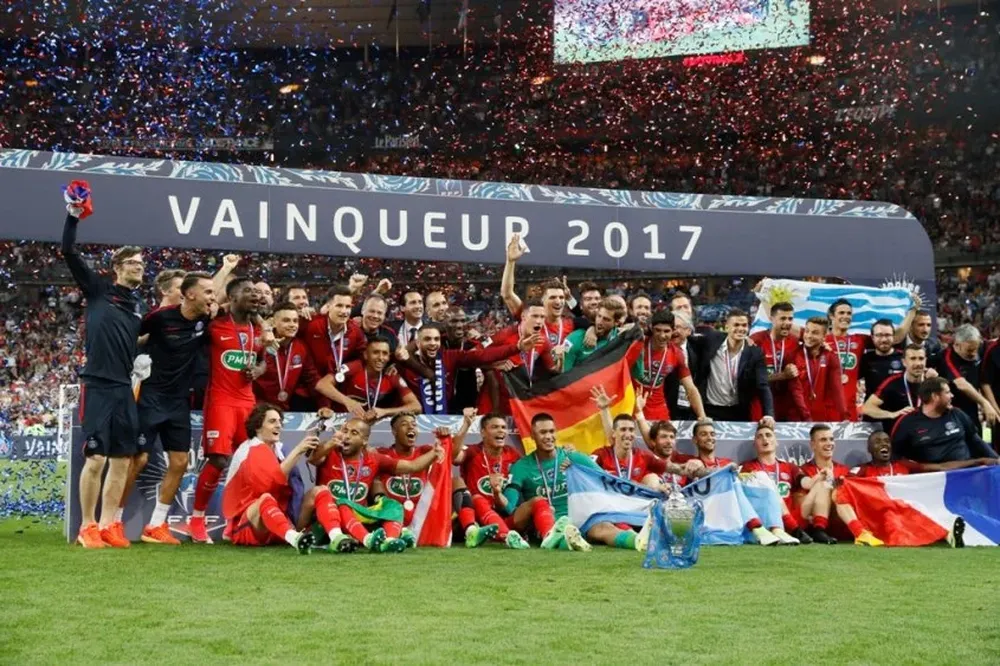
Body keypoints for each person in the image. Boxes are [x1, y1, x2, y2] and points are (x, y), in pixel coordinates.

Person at [62, 190, 146, 549]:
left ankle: (111, 524)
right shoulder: (98, 289)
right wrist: (73, 215)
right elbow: (68, 251)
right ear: (118, 267)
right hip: (97, 383)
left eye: (142, 264)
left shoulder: (138, 303)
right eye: (134, 263)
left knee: (123, 459)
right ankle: (88, 526)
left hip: (123, 387)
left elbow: (131, 339)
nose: (140, 268)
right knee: (95, 458)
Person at [134, 271, 216, 545]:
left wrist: (227, 268)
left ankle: (156, 525)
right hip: (151, 396)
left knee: (180, 462)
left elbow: (222, 295)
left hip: (180, 400)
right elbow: (132, 337)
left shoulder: (205, 320)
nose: (212, 298)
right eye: (207, 293)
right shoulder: (160, 318)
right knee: (139, 460)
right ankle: (111, 520)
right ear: (189, 294)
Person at [188, 276, 267, 544]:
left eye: (257, 292)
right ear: (232, 298)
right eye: (248, 291)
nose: (255, 295)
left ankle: (235, 521)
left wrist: (257, 370)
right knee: (219, 460)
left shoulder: (258, 331)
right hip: (220, 401)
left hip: (247, 402)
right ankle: (197, 520)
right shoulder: (215, 326)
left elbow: (263, 362)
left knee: (246, 463)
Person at [504, 413, 640, 552]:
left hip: (579, 518)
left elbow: (606, 480)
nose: (549, 437)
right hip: (546, 522)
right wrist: (498, 493)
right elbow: (509, 505)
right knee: (555, 527)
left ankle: (637, 541)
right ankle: (569, 541)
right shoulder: (522, 466)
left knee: (604, 527)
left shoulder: (573, 457)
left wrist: (641, 490)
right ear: (532, 435)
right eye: (543, 432)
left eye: (551, 431)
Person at [309, 417, 441, 553]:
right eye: (345, 431)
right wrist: (331, 443)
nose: (346, 436)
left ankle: (389, 541)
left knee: (393, 505)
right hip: (330, 522)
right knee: (343, 504)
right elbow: (313, 458)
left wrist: (435, 451)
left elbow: (413, 466)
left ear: (364, 441)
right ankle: (368, 540)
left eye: (354, 433)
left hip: (357, 519)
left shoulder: (374, 459)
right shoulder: (329, 451)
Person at [455, 412, 564, 549]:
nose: (501, 430)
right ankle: (506, 537)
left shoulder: (512, 454)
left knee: (538, 500)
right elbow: (454, 457)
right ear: (483, 432)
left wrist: (563, 452)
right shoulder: (473, 451)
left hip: (507, 516)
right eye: (495, 427)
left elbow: (527, 478)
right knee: (476, 497)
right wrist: (466, 425)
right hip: (480, 519)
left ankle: (549, 536)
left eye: (503, 427)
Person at [221, 403, 316, 553]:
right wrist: (298, 450)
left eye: (280, 422)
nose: (279, 426)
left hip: (276, 524)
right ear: (258, 427)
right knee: (266, 498)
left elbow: (295, 486)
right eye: (272, 422)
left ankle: (337, 537)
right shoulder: (251, 449)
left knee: (319, 492)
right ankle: (294, 538)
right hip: (248, 526)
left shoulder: (280, 449)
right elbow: (268, 486)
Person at [399, 324, 536, 414]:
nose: (433, 343)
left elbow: (481, 356)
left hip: (446, 415)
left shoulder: (450, 357)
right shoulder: (405, 364)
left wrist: (517, 348)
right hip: (417, 419)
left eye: (436, 339)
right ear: (417, 343)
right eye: (427, 339)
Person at [826, 297, 916, 422]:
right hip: (824, 406)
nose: (846, 316)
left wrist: (912, 311)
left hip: (849, 409)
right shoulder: (820, 340)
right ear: (831, 316)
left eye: (849, 313)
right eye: (841, 313)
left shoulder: (859, 340)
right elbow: (797, 332)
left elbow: (896, 337)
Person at [794, 424, 875, 545]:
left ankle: (860, 532)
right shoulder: (803, 471)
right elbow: (800, 505)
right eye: (823, 440)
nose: (829, 443)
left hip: (840, 524)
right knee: (827, 488)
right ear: (813, 445)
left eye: (831, 439)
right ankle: (857, 532)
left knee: (840, 492)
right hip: (811, 524)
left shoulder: (844, 471)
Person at [476, 299, 558, 415]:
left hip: (519, 403)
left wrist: (561, 359)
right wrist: (493, 364)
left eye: (542, 317)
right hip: (492, 404)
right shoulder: (504, 335)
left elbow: (553, 371)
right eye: (534, 316)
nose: (539, 321)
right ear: (523, 316)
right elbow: (471, 355)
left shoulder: (543, 341)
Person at [891, 377, 999, 464]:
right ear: (935, 397)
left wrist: (996, 459)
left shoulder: (957, 413)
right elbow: (896, 455)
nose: (952, 396)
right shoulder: (907, 422)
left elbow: (976, 440)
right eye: (947, 392)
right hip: (933, 480)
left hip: (966, 474)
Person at [695, 310, 775, 424]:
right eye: (736, 325)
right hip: (710, 410)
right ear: (727, 327)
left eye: (744, 325)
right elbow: (690, 340)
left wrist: (769, 414)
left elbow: (763, 385)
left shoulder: (755, 353)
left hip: (739, 411)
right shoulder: (711, 340)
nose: (741, 328)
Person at [739, 424, 813, 544]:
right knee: (763, 478)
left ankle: (810, 529)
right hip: (764, 518)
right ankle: (792, 529)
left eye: (768, 435)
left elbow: (805, 483)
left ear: (776, 441)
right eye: (760, 436)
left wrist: (818, 480)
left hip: (791, 515)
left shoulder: (789, 467)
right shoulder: (748, 467)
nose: (765, 439)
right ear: (754, 444)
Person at [315, 337, 420, 422]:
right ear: (366, 355)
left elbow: (416, 406)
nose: (380, 357)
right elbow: (322, 385)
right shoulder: (355, 367)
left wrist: (385, 412)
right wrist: (347, 401)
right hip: (343, 421)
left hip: (371, 423)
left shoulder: (392, 376)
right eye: (375, 352)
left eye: (384, 353)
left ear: (389, 357)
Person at [501, 235, 576, 347]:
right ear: (542, 300)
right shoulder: (531, 317)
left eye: (561, 297)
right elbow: (507, 294)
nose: (558, 301)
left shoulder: (571, 325)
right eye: (552, 297)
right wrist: (510, 262)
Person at [631, 310, 704, 421]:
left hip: (658, 409)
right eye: (658, 330)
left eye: (666, 331)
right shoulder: (638, 345)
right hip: (632, 405)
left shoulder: (676, 353)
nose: (662, 335)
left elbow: (691, 389)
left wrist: (702, 417)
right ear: (651, 328)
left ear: (673, 331)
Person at [253, 301, 321, 412]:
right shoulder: (261, 343)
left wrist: (324, 405)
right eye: (286, 320)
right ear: (273, 323)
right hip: (256, 409)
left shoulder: (300, 347)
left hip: (284, 410)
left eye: (295, 321)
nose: (292, 325)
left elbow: (312, 378)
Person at [750, 302, 808, 422]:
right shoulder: (756, 341)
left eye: (790, 319)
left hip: (786, 405)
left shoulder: (795, 342)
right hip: (761, 403)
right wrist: (782, 376)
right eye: (782, 318)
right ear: (771, 319)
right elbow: (750, 379)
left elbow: (816, 335)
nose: (787, 322)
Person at [935, 324, 999, 433]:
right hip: (953, 408)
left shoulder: (982, 346)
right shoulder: (947, 357)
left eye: (976, 349)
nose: (974, 354)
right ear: (957, 345)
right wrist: (985, 403)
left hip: (973, 406)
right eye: (969, 350)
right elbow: (961, 384)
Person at [850, 431, 996, 477]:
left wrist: (977, 461)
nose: (884, 444)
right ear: (869, 449)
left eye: (887, 441)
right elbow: (844, 483)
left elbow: (940, 467)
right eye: (878, 442)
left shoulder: (903, 464)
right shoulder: (861, 470)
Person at [297, 284, 367, 378]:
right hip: (310, 385)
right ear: (328, 306)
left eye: (348, 307)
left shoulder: (355, 331)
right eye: (339, 306)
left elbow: (363, 359)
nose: (344, 311)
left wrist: (347, 368)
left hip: (340, 384)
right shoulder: (311, 325)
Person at [862, 344, 933, 434]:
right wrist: (892, 414)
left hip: (927, 435)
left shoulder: (932, 383)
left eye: (921, 358)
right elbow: (867, 408)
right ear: (904, 362)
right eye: (913, 359)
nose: (918, 363)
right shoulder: (892, 382)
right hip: (899, 436)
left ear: (926, 360)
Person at [793, 317, 850, 421]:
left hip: (820, 416)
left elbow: (837, 389)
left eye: (815, 333)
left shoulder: (831, 357)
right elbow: (795, 390)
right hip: (796, 416)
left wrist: (844, 416)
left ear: (824, 336)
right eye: (807, 331)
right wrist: (806, 416)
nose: (809, 336)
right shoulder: (793, 355)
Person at [562, 298, 622, 371]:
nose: (600, 322)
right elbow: (565, 376)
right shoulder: (574, 339)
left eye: (606, 319)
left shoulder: (620, 338)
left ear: (616, 323)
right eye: (599, 316)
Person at [665, 310, 701, 420]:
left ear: (688, 330)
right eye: (672, 328)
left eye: (678, 327)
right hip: (667, 407)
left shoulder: (699, 348)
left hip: (691, 409)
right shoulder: (661, 349)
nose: (674, 331)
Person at [858, 319, 904, 400]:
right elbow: (849, 378)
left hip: (900, 410)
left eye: (887, 335)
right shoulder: (865, 359)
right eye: (879, 335)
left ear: (893, 336)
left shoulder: (904, 357)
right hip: (872, 410)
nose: (884, 340)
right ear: (872, 337)